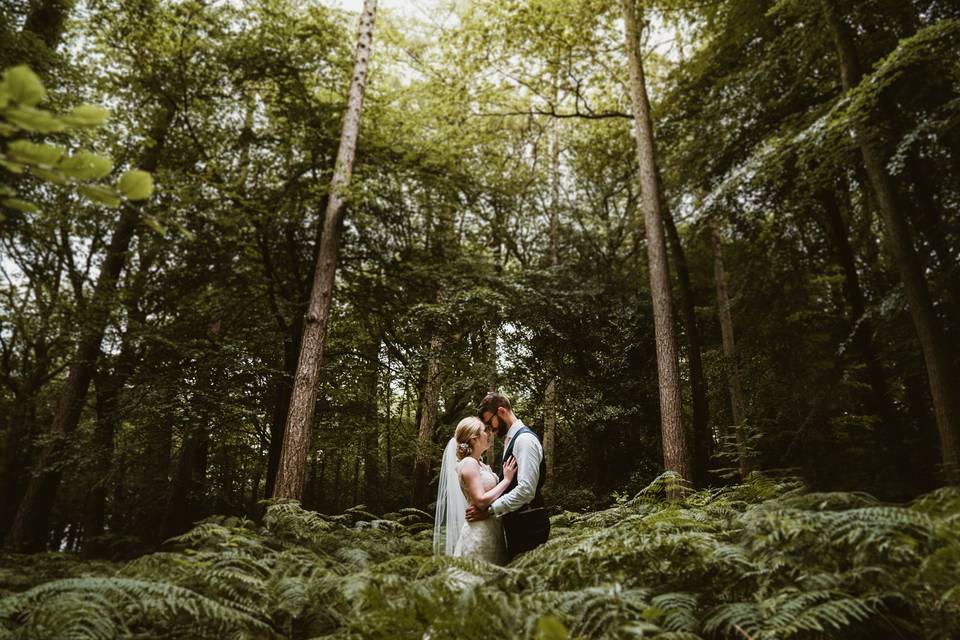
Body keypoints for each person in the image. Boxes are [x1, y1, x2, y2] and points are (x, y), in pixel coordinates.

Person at [467, 392, 550, 561]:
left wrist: (490, 511)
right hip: (518, 524)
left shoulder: (524, 441)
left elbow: (526, 490)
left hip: (530, 526)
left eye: (490, 423)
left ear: (502, 411)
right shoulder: (510, 439)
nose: (490, 429)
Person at [433, 416, 517, 564]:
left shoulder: (482, 465)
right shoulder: (469, 463)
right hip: (479, 531)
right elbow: (481, 501)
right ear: (473, 439)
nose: (489, 434)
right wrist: (507, 480)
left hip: (492, 528)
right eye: (484, 431)